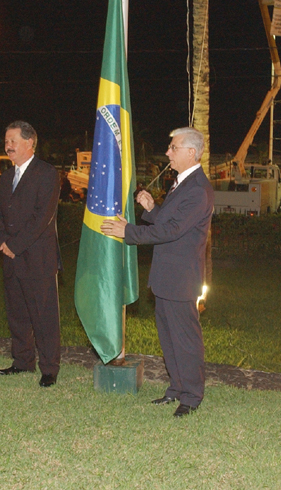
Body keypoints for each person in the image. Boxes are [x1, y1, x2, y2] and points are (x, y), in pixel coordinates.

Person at [100, 127, 213, 417]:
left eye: (173, 148)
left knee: (185, 339)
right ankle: (176, 389)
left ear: (191, 153)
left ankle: (191, 395)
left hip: (181, 279)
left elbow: (173, 230)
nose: (167, 152)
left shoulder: (198, 188)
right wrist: (152, 209)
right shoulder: (182, 183)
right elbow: (170, 221)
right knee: (169, 337)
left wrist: (129, 231)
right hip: (167, 278)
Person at [0, 120, 62, 387]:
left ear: (30, 143)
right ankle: (22, 362)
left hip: (37, 258)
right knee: (17, 313)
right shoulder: (7, 176)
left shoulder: (46, 173)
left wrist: (15, 245)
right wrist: (3, 241)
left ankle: (49, 368)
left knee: (43, 316)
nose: (8, 146)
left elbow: (41, 217)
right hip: (10, 256)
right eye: (6, 141)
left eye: (13, 141)